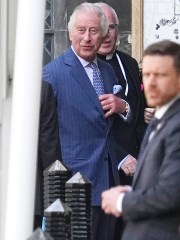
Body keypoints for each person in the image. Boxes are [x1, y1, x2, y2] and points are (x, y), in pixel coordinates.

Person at [42, 3, 133, 240]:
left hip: (110, 184)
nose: (87, 38)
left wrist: (124, 108)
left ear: (103, 34)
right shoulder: (52, 75)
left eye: (94, 31)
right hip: (76, 187)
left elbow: (110, 130)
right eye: (81, 30)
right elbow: (46, 140)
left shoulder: (107, 71)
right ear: (71, 32)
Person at [101, 39, 180, 240]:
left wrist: (122, 202)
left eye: (160, 75)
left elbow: (171, 195)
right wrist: (131, 190)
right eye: (147, 75)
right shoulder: (159, 120)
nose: (151, 83)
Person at [94, 3, 146, 238]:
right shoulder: (89, 69)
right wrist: (120, 156)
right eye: (100, 28)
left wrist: (136, 109)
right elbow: (93, 127)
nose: (106, 34)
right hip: (108, 167)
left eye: (111, 27)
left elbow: (136, 109)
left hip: (139, 167)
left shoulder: (131, 63)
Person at [34, 81, 62, 229]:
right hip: (27, 198)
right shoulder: (40, 88)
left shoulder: (41, 89)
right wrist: (55, 197)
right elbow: (49, 149)